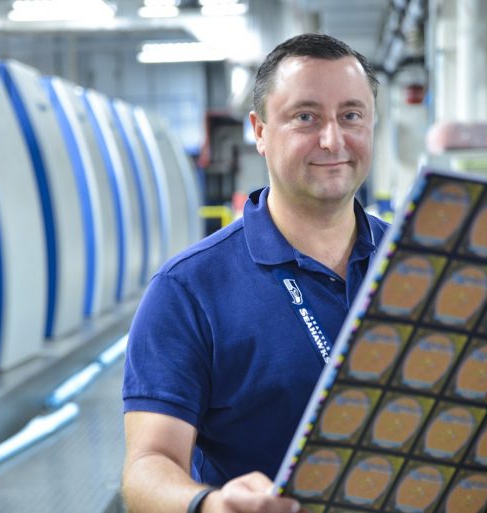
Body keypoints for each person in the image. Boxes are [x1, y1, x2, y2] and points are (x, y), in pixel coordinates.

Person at [122, 33, 387, 513]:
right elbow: (148, 464)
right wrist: (210, 504)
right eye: (305, 117)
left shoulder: (416, 260)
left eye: (351, 116)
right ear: (259, 131)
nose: (333, 139)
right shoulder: (188, 290)